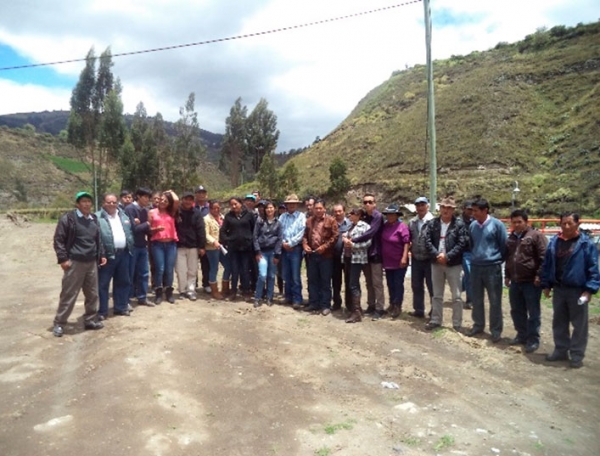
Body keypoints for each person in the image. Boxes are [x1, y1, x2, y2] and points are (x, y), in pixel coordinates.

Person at [541, 212, 600, 368]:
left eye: (569, 223)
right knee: (559, 322)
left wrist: (589, 290)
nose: (566, 226)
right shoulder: (555, 242)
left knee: (579, 325)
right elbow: (547, 264)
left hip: (577, 290)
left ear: (577, 224)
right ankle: (561, 350)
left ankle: (576, 355)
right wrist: (546, 284)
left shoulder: (586, 244)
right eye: (563, 223)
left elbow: (593, 269)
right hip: (559, 289)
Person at [52, 191, 106, 337]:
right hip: (74, 263)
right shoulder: (68, 219)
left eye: (89, 201)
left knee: (92, 294)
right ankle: (59, 323)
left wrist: (101, 254)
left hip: (91, 262)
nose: (87, 204)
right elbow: (59, 239)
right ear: (77, 204)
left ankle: (90, 320)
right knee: (69, 294)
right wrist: (63, 259)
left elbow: (98, 239)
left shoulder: (93, 219)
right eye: (83, 201)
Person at [505, 209, 548, 353]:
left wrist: (539, 275)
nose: (517, 225)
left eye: (519, 222)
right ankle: (521, 335)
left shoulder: (536, 236)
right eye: (514, 222)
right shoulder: (511, 238)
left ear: (526, 222)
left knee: (533, 312)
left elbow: (544, 257)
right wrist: (507, 275)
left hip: (531, 282)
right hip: (515, 281)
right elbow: (509, 258)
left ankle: (533, 339)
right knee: (516, 310)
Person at [424, 196, 469, 331]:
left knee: (456, 296)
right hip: (436, 263)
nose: (446, 210)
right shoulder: (433, 224)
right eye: (444, 207)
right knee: (437, 294)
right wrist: (437, 255)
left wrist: (447, 256)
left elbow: (462, 243)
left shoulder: (459, 225)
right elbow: (427, 241)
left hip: (453, 264)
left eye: (449, 208)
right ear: (440, 208)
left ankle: (457, 324)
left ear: (453, 210)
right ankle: (436, 320)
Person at [467, 198, 507, 342]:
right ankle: (478, 325)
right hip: (476, 267)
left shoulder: (497, 225)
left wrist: (495, 260)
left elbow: (503, 246)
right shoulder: (472, 226)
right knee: (477, 298)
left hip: (492, 267)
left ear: (485, 210)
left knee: (494, 300)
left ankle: (496, 330)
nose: (473, 214)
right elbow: (472, 245)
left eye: (476, 211)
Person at [97, 193, 134, 319]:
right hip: (107, 257)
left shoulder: (123, 215)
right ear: (103, 203)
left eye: (114, 202)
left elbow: (130, 231)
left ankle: (121, 307)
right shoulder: (97, 217)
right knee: (103, 284)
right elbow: (97, 239)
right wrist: (101, 254)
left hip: (123, 254)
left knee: (123, 282)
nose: (112, 204)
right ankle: (102, 311)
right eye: (109, 202)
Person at [350, 193, 386, 320]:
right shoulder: (366, 217)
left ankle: (380, 308)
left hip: (376, 253)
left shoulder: (377, 216)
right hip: (366, 253)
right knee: (369, 282)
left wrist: (354, 240)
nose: (368, 204)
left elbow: (370, 233)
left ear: (375, 203)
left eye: (370, 202)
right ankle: (371, 305)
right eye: (365, 202)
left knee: (377, 282)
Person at [302, 199, 338, 315]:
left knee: (325, 281)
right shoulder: (309, 221)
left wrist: (325, 247)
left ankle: (325, 305)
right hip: (312, 254)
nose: (318, 210)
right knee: (312, 280)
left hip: (325, 255)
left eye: (320, 208)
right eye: (316, 208)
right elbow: (305, 236)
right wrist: (305, 245)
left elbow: (335, 236)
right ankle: (313, 303)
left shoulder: (331, 220)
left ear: (324, 209)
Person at [220, 197, 255, 300]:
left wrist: (250, 241)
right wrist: (228, 241)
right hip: (233, 249)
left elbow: (254, 230)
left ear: (241, 203)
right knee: (234, 270)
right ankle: (233, 292)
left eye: (235, 204)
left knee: (245, 270)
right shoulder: (228, 216)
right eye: (231, 205)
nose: (233, 206)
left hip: (246, 248)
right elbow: (223, 231)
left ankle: (246, 291)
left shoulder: (249, 215)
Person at [125, 187, 154, 307]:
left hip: (143, 245)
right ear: (138, 196)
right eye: (145, 197)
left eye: (148, 197)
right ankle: (126, 300)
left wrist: (143, 225)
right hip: (132, 246)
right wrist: (147, 223)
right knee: (129, 274)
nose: (147, 200)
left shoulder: (145, 210)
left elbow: (144, 229)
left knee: (144, 273)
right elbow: (133, 229)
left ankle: (142, 297)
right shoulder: (130, 209)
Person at [149, 190, 179, 304]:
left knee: (169, 269)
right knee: (160, 269)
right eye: (161, 199)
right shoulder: (152, 212)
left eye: (166, 201)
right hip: (157, 244)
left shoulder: (171, 212)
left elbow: (176, 200)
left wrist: (171, 191)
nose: (162, 202)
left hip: (171, 244)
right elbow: (149, 229)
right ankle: (158, 292)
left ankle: (169, 292)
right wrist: (156, 229)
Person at [380, 204, 410, 318]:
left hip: (399, 261)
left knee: (398, 284)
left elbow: (406, 242)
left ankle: (398, 305)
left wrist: (404, 257)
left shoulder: (402, 226)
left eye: (392, 214)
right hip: (388, 261)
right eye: (388, 214)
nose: (390, 216)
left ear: (397, 215)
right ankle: (392, 303)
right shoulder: (385, 226)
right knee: (390, 283)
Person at [175, 192, 206, 301]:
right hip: (179, 246)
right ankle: (182, 291)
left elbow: (201, 230)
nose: (188, 202)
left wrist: (202, 246)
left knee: (192, 270)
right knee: (181, 270)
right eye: (186, 199)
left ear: (193, 201)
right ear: (182, 199)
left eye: (190, 200)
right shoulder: (176, 212)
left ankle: (191, 290)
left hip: (193, 246)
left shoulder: (196, 213)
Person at [342, 208, 372, 323]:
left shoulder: (365, 227)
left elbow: (368, 242)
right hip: (348, 258)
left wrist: (352, 244)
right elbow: (346, 237)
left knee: (353, 284)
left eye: (352, 214)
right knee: (351, 283)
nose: (350, 215)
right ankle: (356, 309)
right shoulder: (351, 226)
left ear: (359, 215)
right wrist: (345, 239)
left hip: (358, 259)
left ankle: (356, 312)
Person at [253, 201, 283, 307]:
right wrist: (257, 251)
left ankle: (269, 298)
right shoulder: (260, 221)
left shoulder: (278, 223)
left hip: (273, 252)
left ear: (275, 209)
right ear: (265, 210)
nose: (269, 210)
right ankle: (257, 297)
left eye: (271, 207)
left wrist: (277, 254)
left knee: (271, 276)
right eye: (267, 208)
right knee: (262, 275)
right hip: (262, 252)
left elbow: (280, 239)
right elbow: (255, 237)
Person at [279, 194, 307, 308]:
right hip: (284, 249)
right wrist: (283, 243)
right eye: (289, 204)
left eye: (294, 203)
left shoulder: (301, 217)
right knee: (286, 274)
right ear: (286, 205)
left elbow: (302, 232)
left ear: (297, 205)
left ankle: (297, 298)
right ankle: (288, 296)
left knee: (295, 275)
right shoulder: (282, 217)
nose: (292, 205)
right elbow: (278, 231)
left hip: (296, 249)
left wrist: (290, 243)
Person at [204, 200, 231, 299]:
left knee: (228, 266)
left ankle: (225, 288)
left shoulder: (223, 217)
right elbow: (206, 234)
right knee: (214, 268)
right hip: (212, 247)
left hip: (223, 247)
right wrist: (213, 241)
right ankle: (214, 291)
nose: (216, 210)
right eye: (214, 208)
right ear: (210, 209)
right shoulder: (206, 219)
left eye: (218, 208)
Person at [331, 203, 352, 311]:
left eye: (340, 211)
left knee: (349, 281)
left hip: (348, 257)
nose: (338, 213)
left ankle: (349, 304)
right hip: (334, 257)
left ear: (344, 211)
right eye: (336, 211)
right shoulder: (331, 223)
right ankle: (337, 303)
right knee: (336, 281)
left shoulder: (350, 224)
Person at [194, 185, 211, 294]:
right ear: (195, 195)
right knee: (193, 265)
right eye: (199, 193)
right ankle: (193, 284)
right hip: (193, 241)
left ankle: (206, 284)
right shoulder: (191, 207)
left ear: (206, 195)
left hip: (206, 241)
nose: (201, 195)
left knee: (206, 264)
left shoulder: (210, 208)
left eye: (203, 193)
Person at [461, 200, 474, 309]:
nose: (471, 211)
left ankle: (461, 286)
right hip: (464, 251)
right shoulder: (459, 222)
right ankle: (470, 300)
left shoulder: (476, 221)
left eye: (473, 209)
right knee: (470, 274)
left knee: (468, 274)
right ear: (464, 209)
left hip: (475, 251)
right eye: (469, 209)